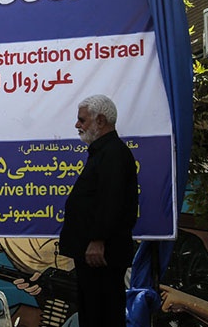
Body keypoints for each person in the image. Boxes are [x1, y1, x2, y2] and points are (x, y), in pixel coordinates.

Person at [58, 94, 138, 327]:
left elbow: (111, 200)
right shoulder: (103, 152)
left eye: (82, 120)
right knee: (92, 312)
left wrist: (97, 240)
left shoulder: (113, 153)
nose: (77, 125)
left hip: (101, 256)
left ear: (100, 121)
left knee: (102, 314)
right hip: (94, 255)